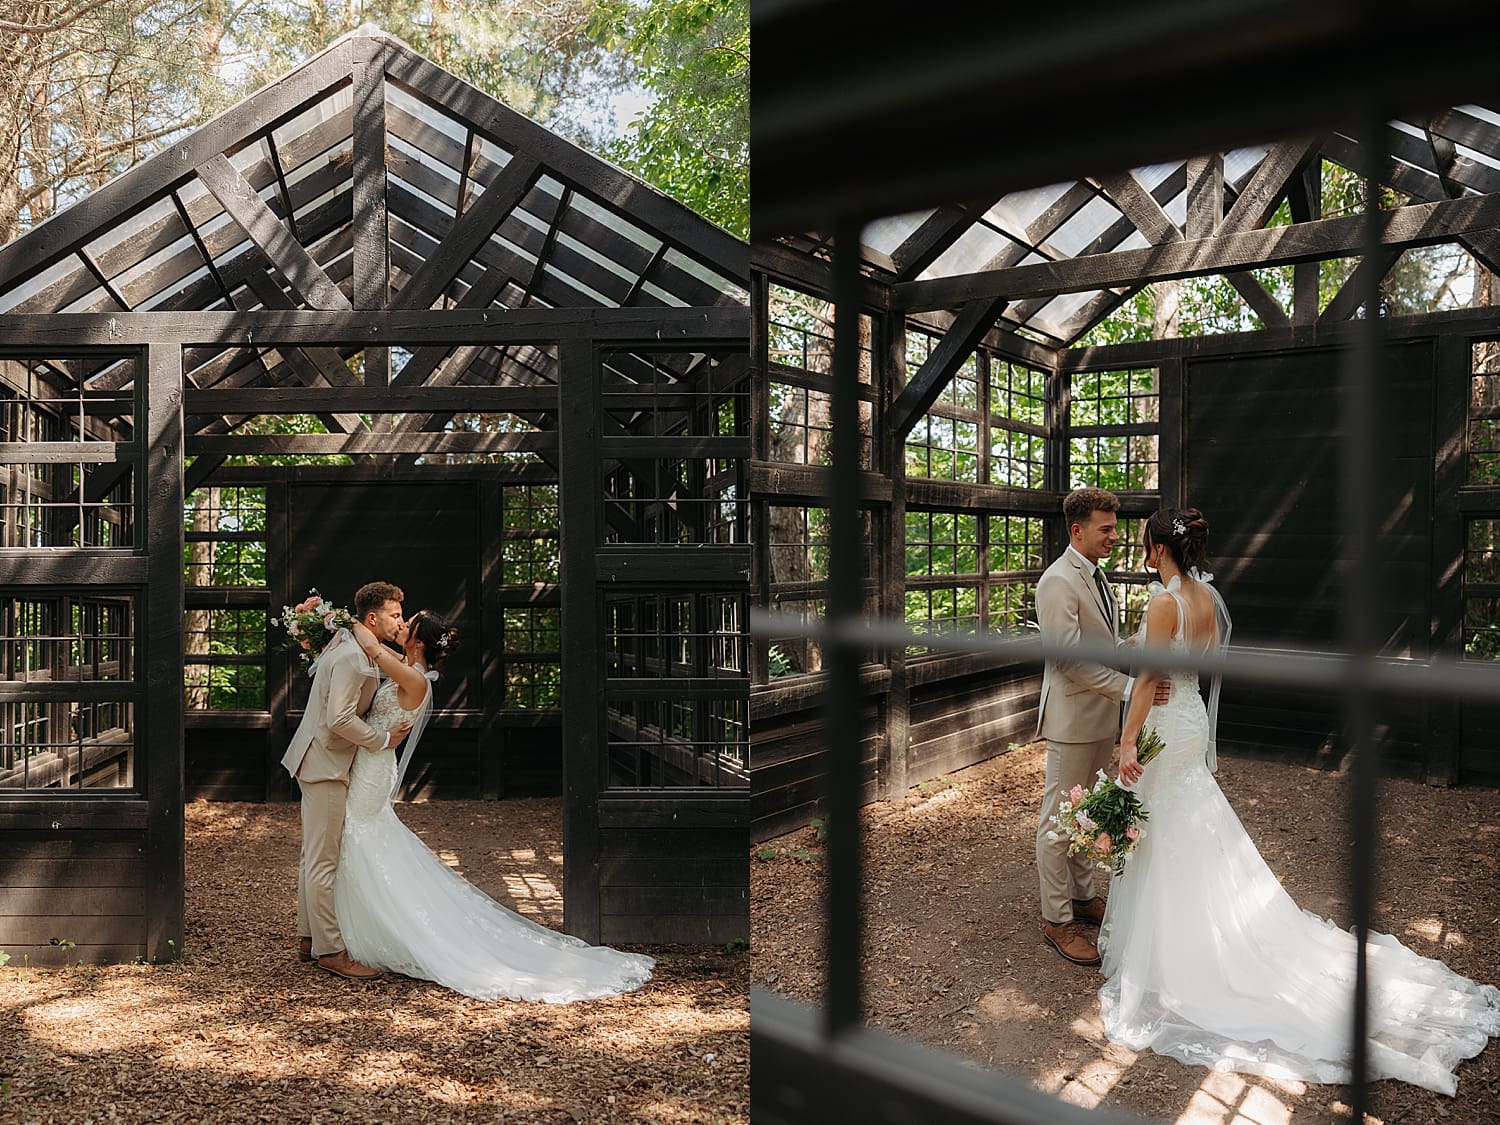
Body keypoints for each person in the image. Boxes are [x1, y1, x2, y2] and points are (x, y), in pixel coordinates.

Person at [1099, 507, 1500, 1095]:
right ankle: (1199, 933)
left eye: (1143, 543)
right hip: (1187, 718)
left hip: (1162, 722)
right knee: (1184, 827)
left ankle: (1183, 955)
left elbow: (1150, 677)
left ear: (1158, 549)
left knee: (1166, 827)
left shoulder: (1165, 602)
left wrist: (1127, 738)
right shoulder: (1207, 598)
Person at [334, 609, 655, 1003]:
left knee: (360, 835)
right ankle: (361, 928)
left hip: (374, 768)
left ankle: (380, 932)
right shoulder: (407, 666)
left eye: (407, 623)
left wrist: (337, 619)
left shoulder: (415, 679)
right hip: (371, 760)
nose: (399, 626)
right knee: (364, 837)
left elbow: (371, 647)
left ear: (418, 641)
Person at [1034, 487, 1166, 966]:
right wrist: (1131, 689)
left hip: (1099, 717)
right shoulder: (1057, 582)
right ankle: (1056, 919)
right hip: (1072, 718)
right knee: (1056, 822)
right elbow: (1069, 661)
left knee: (1085, 812)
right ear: (1078, 530)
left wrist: (1139, 643)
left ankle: (1084, 896)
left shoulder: (1096, 576)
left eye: (1114, 527)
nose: (1115, 536)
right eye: (1106, 528)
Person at [282, 581, 412, 981]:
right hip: (325, 765)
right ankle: (331, 951)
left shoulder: (354, 645)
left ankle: (309, 938)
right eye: (394, 615)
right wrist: (383, 740)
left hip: (320, 760)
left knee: (313, 856)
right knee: (325, 860)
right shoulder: (354, 658)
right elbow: (339, 718)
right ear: (372, 618)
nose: (399, 621)